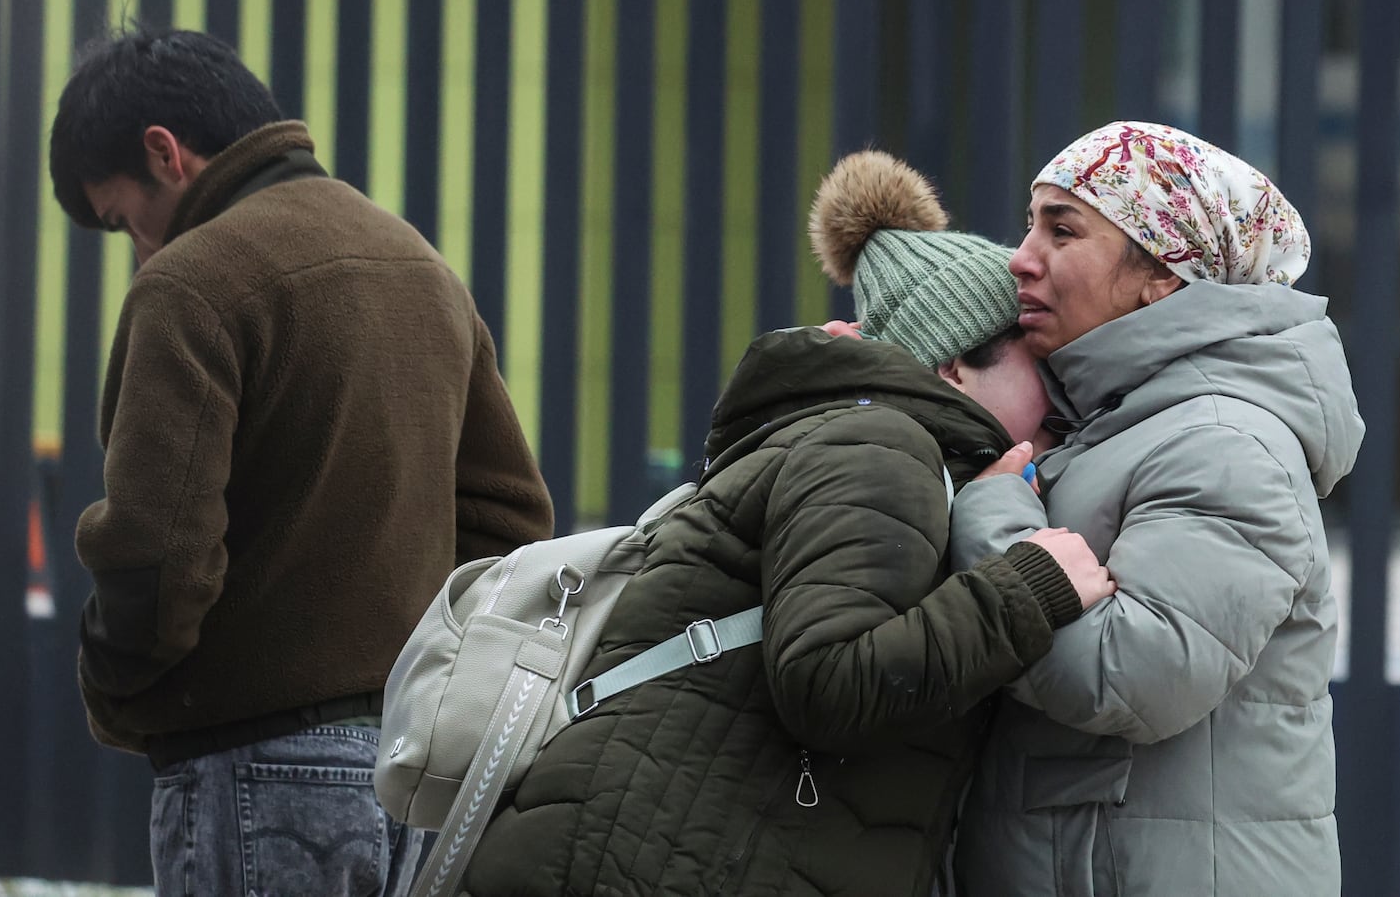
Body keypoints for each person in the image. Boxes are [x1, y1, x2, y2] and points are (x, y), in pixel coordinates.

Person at [458, 150, 1114, 897]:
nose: (1065, 396)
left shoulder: (883, 450)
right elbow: (830, 680)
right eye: (1041, 365)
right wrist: (1029, 586)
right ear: (956, 365)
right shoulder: (882, 447)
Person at [48, 25, 554, 897]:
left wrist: (111, 684)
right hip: (415, 777)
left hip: (254, 774)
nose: (138, 246)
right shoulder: (423, 269)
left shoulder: (190, 284)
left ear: (165, 152)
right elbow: (509, 524)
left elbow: (157, 557)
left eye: (125, 217)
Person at [950, 121, 1365, 897]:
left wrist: (993, 515)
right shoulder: (1118, 424)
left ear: (1164, 275)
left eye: (1062, 230)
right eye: (1030, 224)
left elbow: (1130, 674)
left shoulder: (1225, 444)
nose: (1021, 257)